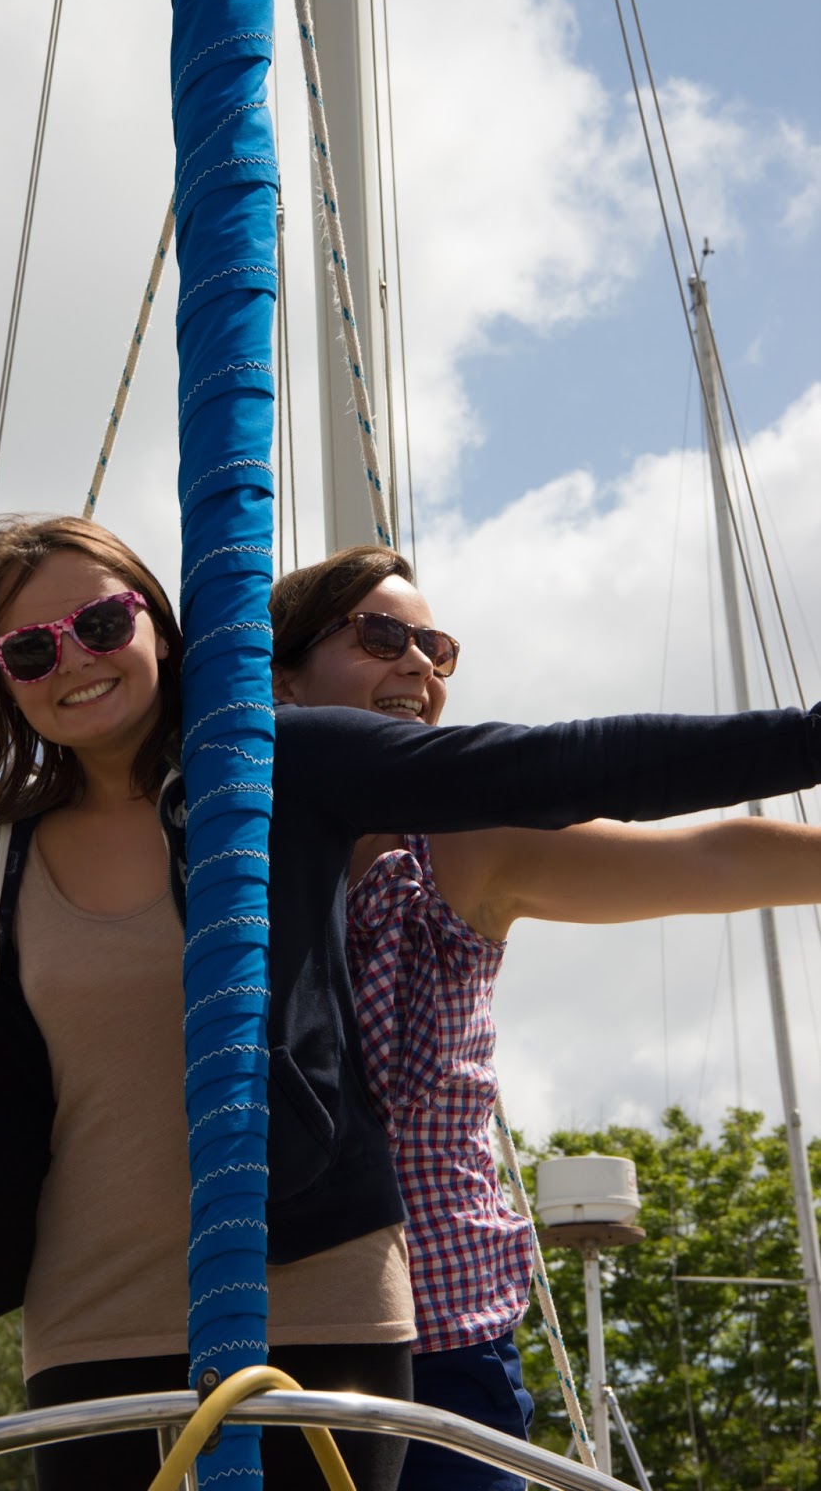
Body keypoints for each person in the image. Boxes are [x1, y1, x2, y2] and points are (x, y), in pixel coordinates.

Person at [0, 518, 821, 1491]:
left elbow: (556, 770)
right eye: (31, 649)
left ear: (158, 626)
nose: (73, 657)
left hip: (325, 1303)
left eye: (101, 623)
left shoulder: (285, 775)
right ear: (4, 677)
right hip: (91, 1327)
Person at [268, 543, 821, 1491]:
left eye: (437, 648)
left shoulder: (460, 851)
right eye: (381, 636)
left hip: (443, 1341)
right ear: (280, 679)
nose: (419, 664)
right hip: (262, 1331)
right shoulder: (207, 861)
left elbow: (707, 858)